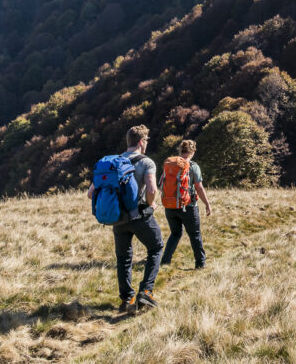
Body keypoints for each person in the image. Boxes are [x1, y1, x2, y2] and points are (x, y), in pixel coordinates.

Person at [88, 124, 163, 313]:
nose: (146, 144)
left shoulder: (113, 163)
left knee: (123, 258)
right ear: (140, 142)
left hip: (118, 219)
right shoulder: (147, 162)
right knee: (156, 247)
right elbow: (152, 190)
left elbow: (90, 193)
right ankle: (146, 291)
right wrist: (151, 204)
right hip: (138, 216)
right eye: (146, 140)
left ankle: (127, 300)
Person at [161, 138, 212, 269]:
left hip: (170, 206)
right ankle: (200, 264)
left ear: (180, 150)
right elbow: (199, 187)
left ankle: (165, 261)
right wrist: (207, 204)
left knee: (175, 233)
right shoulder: (193, 166)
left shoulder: (171, 164)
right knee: (195, 235)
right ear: (193, 151)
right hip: (188, 207)